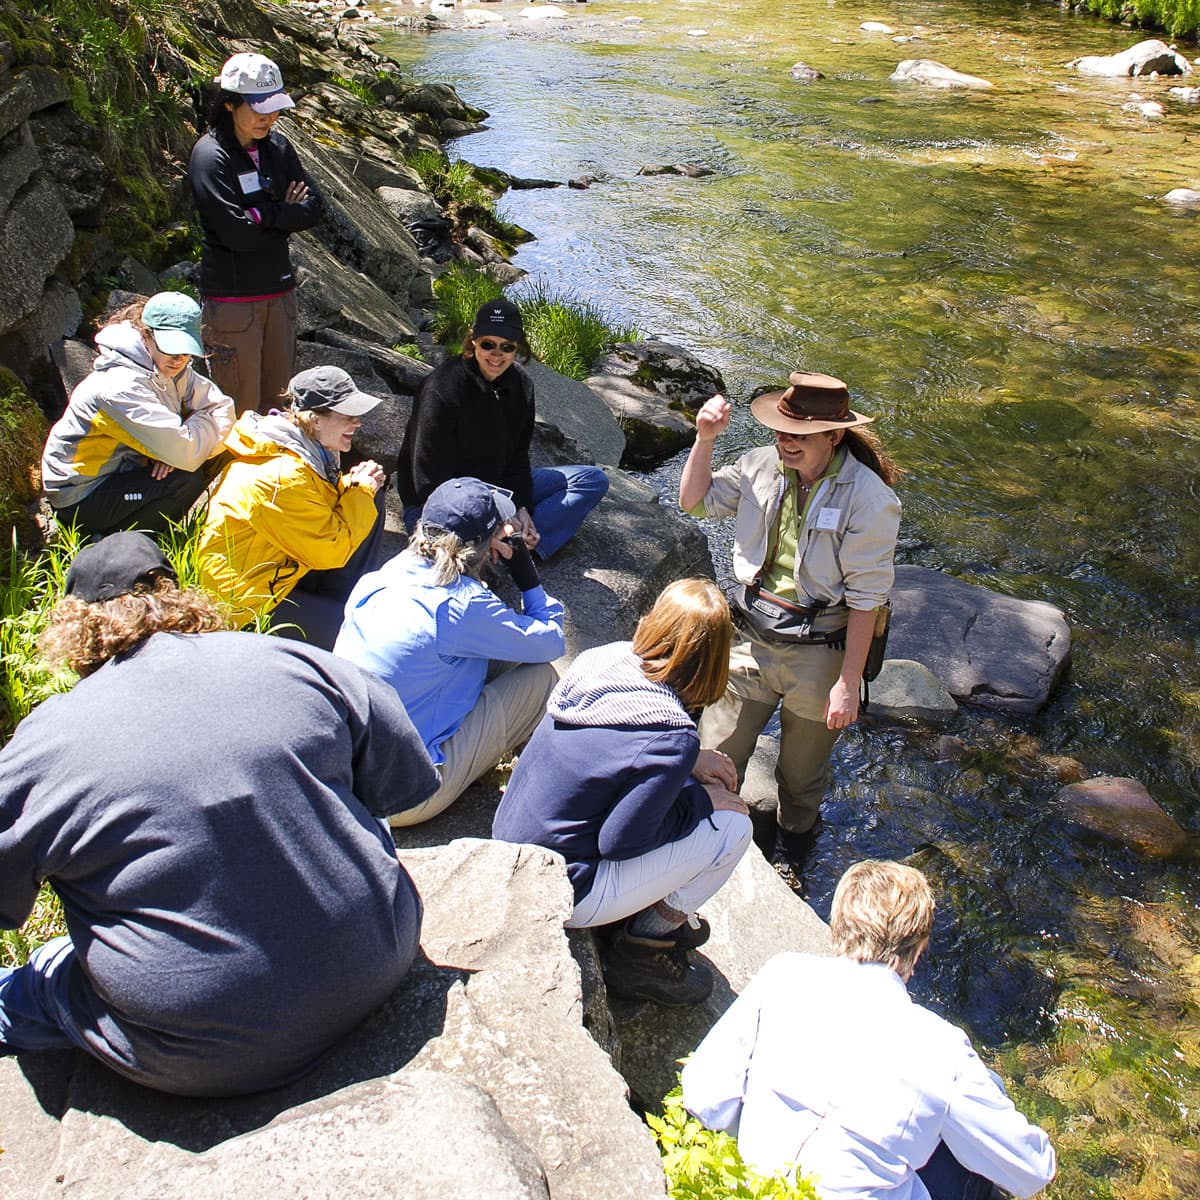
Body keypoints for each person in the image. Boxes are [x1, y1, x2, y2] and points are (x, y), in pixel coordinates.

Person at [0, 532, 438, 1097]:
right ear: (176, 596)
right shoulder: (292, 658)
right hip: (382, 956)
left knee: (37, 976)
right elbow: (398, 783)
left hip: (201, 1049)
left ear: (75, 627)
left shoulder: (47, 740)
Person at [681, 860, 1057, 1200]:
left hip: (756, 1186)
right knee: (961, 1140)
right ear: (918, 949)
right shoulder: (941, 1048)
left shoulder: (783, 974)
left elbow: (704, 1096)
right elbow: (1031, 1172)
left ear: (838, 925)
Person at [493, 578, 753, 1007]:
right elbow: (620, 842)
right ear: (713, 659)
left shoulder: (604, 659)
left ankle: (632, 915)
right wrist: (701, 800)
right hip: (563, 891)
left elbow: (617, 750)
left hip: (512, 844)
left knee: (685, 787)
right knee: (732, 828)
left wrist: (688, 760)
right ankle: (641, 953)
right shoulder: (671, 737)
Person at [678, 372, 901, 862]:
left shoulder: (869, 499)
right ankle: (697, 851)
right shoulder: (758, 465)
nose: (785, 441)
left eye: (800, 434)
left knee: (800, 780)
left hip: (820, 653)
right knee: (712, 756)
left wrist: (847, 684)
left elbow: (867, 599)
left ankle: (794, 855)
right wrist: (705, 439)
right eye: (781, 430)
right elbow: (694, 501)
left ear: (834, 435)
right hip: (750, 638)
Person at [335, 476, 565, 827]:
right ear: (485, 544)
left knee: (498, 652)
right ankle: (539, 787)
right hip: (401, 797)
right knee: (540, 678)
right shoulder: (463, 605)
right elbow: (551, 641)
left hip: (343, 771)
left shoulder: (386, 573)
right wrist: (526, 575)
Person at [396, 298, 608, 559]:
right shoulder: (441, 389)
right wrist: (493, 521)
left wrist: (521, 508)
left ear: (517, 347)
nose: (497, 354)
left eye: (507, 346)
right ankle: (497, 548)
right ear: (473, 341)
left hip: (498, 491)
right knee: (448, 554)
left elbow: (518, 459)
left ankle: (517, 546)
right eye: (488, 344)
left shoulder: (521, 385)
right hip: (443, 502)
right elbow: (428, 482)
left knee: (591, 479)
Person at [197, 365, 386, 649]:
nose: (357, 423)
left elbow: (318, 509)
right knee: (362, 632)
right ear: (315, 419)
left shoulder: (306, 449)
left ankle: (347, 602)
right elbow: (332, 551)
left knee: (371, 498)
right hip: (248, 603)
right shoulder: (282, 476)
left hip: (283, 569)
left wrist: (358, 485)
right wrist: (359, 489)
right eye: (348, 416)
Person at [188, 52, 322, 413]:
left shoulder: (278, 148)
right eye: (258, 108)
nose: (268, 117)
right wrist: (285, 215)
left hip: (280, 295)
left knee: (279, 407)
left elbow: (314, 209)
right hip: (233, 301)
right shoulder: (210, 156)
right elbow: (237, 235)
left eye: (274, 108)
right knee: (238, 410)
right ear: (230, 103)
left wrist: (263, 214)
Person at [40, 293, 234, 538]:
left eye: (186, 351)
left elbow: (224, 409)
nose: (179, 359)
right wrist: (178, 449)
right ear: (146, 335)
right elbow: (186, 452)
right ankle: (113, 542)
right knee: (184, 480)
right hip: (82, 493)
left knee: (225, 447)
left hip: (126, 469)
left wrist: (176, 449)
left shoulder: (171, 367)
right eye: (170, 347)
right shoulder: (118, 387)